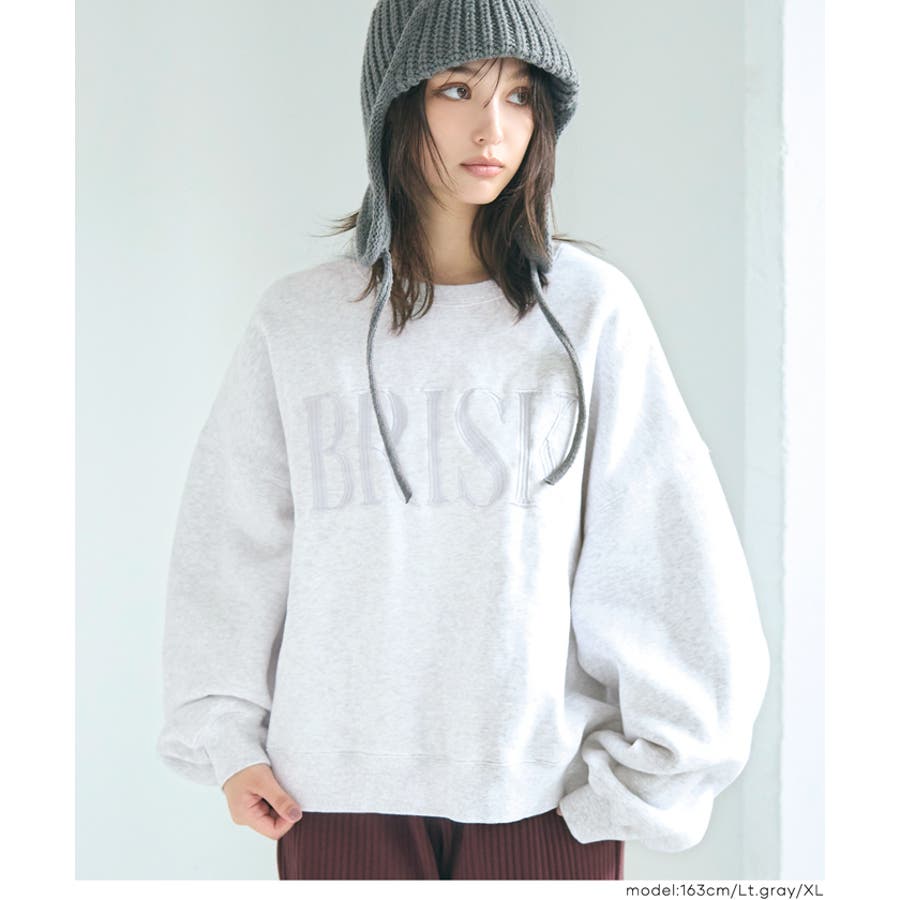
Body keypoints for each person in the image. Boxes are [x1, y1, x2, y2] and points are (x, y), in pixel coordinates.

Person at [156, 0, 770, 881]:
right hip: (331, 796)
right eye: (457, 89)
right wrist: (227, 740)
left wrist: (643, 783)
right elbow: (232, 546)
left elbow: (662, 546)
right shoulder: (299, 321)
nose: (494, 129)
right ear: (395, 103)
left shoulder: (590, 312)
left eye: (520, 96)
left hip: (545, 802)